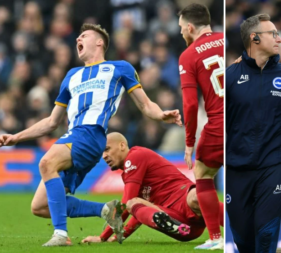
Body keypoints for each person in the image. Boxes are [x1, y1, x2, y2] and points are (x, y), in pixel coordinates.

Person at [0, 24, 182, 246]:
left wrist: (161, 114)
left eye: (84, 35)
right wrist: (16, 137)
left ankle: (60, 234)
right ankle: (105, 209)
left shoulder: (119, 68)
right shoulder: (71, 76)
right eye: (78, 36)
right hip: (73, 136)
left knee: (46, 162)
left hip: (90, 134)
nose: (78, 38)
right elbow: (51, 121)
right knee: (39, 206)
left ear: (99, 42)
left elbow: (145, 104)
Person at [226, 14, 281, 253]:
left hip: (274, 164)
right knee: (242, 240)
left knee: (266, 235)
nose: (279, 39)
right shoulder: (229, 77)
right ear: (254, 38)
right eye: (272, 34)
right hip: (237, 167)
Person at [80, 132, 224, 243]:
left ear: (122, 145)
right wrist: (121, 235)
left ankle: (236, 220)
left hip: (184, 202)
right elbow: (138, 213)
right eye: (102, 153)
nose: (104, 156)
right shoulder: (127, 175)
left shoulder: (136, 156)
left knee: (196, 197)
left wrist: (103, 237)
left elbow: (126, 203)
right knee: (135, 203)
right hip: (179, 222)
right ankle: (174, 225)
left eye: (107, 149)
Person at [178, 3, 224, 250]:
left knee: (203, 175)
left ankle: (216, 238)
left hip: (218, 124)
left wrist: (189, 142)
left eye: (181, 29)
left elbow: (190, 105)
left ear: (190, 27)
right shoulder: (228, 40)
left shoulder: (188, 55)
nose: (181, 34)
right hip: (243, 123)